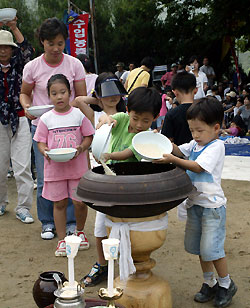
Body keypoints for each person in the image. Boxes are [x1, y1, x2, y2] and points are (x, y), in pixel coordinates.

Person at [156, 98, 237, 308]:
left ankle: (226, 284)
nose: (195, 135)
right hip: (195, 205)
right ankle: (209, 282)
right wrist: (160, 142)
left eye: (199, 130)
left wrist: (172, 160)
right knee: (201, 248)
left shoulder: (216, 146)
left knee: (213, 249)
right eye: (192, 130)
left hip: (212, 208)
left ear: (216, 127)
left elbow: (197, 167)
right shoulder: (195, 143)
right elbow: (177, 150)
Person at [82, 86, 162, 286]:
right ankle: (102, 264)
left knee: (127, 229)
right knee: (100, 228)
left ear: (155, 118)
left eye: (146, 120)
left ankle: (132, 266)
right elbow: (105, 120)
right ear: (128, 111)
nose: (139, 124)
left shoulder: (145, 137)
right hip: (109, 183)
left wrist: (108, 156)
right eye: (135, 118)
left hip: (129, 187)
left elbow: (128, 152)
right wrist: (105, 121)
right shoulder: (122, 118)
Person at [20, 17, 87, 240]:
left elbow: (81, 97)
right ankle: (47, 222)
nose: (56, 48)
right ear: (42, 42)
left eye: (60, 43)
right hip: (42, 128)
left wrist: (86, 127)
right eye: (51, 44)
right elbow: (24, 93)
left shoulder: (74, 64)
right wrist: (26, 106)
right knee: (46, 177)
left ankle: (69, 224)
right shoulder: (32, 67)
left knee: (71, 177)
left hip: (70, 127)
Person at [73, 73, 126, 286]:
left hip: (121, 174)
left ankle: (124, 263)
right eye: (108, 93)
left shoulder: (126, 116)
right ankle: (102, 265)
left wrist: (109, 95)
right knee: (100, 225)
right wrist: (98, 98)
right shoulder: (96, 116)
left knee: (122, 221)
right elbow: (78, 101)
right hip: (100, 176)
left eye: (116, 93)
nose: (113, 97)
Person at [33, 74, 94, 256]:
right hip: (55, 169)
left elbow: (88, 136)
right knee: (59, 203)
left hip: (77, 169)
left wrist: (82, 147)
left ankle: (80, 232)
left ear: (70, 93)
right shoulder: (46, 119)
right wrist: (45, 151)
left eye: (63, 92)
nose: (59, 97)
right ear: (48, 96)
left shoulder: (78, 115)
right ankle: (61, 240)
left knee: (80, 202)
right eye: (54, 93)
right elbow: (40, 141)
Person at [0, 18, 34, 222]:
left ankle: (23, 207)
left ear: (12, 50)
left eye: (6, 47)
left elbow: (28, 50)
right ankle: (1, 203)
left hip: (20, 119)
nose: (3, 51)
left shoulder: (20, 65)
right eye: (0, 47)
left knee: (22, 167)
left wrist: (13, 27)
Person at [161, 71, 197, 145]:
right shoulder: (204, 110)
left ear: (175, 92)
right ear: (195, 90)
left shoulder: (171, 114)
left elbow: (167, 142)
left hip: (178, 155)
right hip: (203, 154)